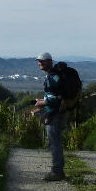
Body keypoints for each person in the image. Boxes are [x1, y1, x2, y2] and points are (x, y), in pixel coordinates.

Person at [29, 52, 67, 181]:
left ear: (49, 62)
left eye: (42, 61)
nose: (39, 63)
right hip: (57, 112)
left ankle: (57, 172)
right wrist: (42, 102)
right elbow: (54, 95)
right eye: (39, 61)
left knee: (55, 143)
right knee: (55, 142)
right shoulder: (54, 76)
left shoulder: (52, 77)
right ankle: (58, 170)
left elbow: (57, 98)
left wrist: (42, 102)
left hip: (55, 114)